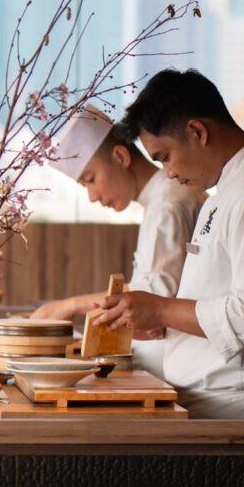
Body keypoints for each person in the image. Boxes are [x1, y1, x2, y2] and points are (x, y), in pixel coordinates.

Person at [95, 68, 244, 419]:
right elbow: (220, 296)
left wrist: (163, 310)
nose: (168, 173)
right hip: (214, 401)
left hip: (241, 408)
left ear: (197, 131)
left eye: (165, 156)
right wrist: (168, 322)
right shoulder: (230, 188)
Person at [32, 104, 206, 377]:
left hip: (175, 368)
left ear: (121, 157)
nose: (92, 196)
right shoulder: (160, 201)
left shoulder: (168, 202)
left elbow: (153, 296)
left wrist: (70, 306)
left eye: (91, 180)